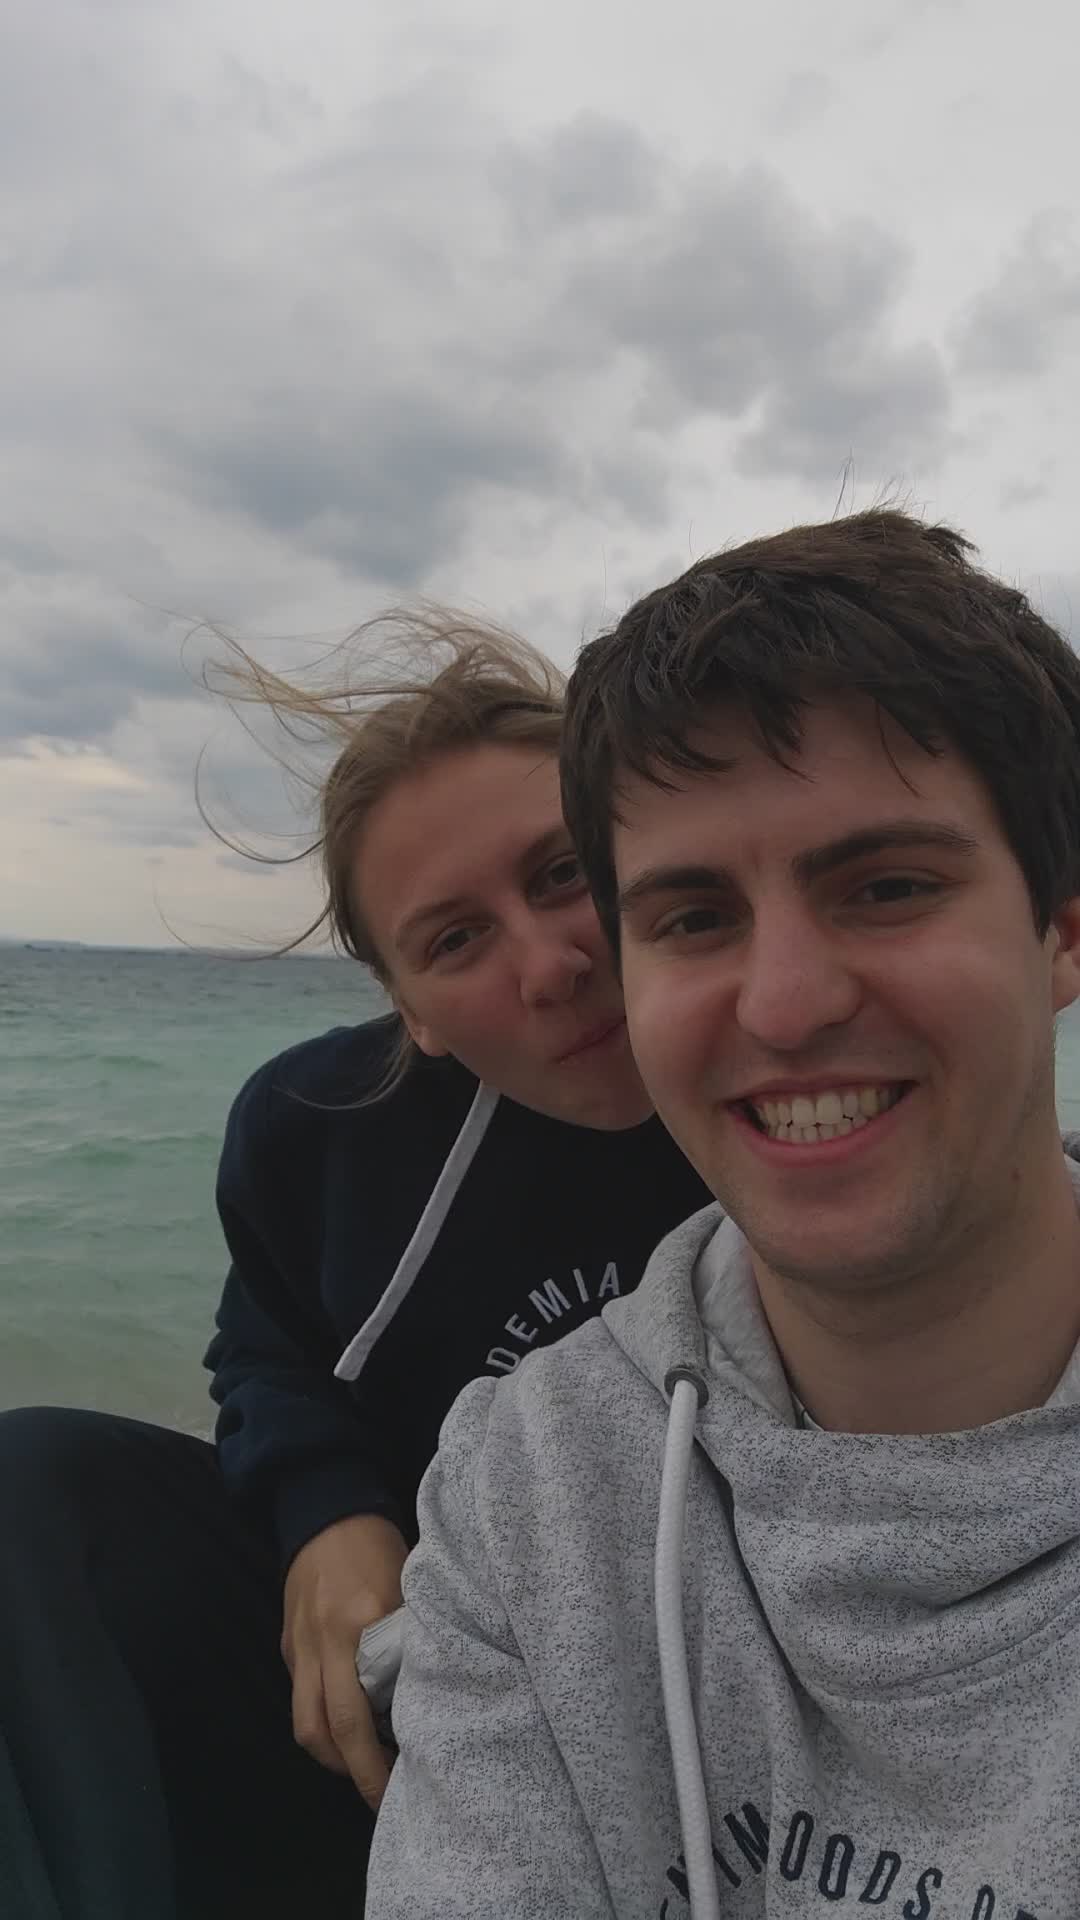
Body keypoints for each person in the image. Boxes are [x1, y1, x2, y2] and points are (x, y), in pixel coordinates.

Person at [366, 513, 1080, 1920]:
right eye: (694, 918)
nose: (787, 1004)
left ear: (1062, 929)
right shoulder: (531, 1491)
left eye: (888, 887)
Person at [0, 611, 708, 1920]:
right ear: (410, 1012)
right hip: (401, 1671)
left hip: (698, 1684)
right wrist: (326, 1509)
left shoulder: (786, 1071)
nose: (551, 966)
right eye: (454, 940)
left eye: (565, 873)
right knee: (33, 1484)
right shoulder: (323, 1130)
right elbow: (271, 1342)